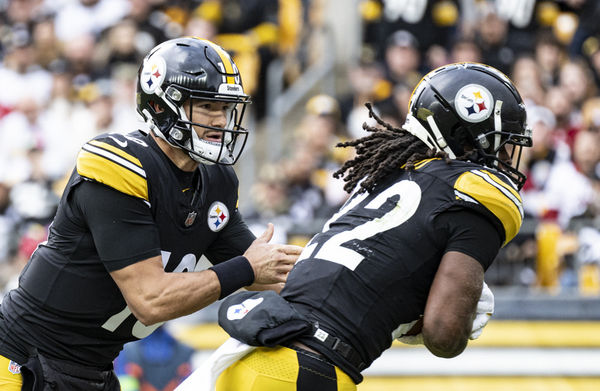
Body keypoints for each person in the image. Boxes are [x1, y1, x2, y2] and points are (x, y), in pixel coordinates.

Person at [177, 62, 533, 391]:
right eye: (500, 146)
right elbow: (444, 335)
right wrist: (458, 314)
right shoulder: (474, 196)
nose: (504, 159)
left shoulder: (383, 175)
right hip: (306, 371)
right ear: (469, 140)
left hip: (250, 355)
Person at [0, 37, 302, 390]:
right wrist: (247, 268)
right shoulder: (119, 164)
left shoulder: (216, 180)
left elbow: (264, 270)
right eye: (207, 106)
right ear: (161, 106)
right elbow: (150, 299)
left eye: (225, 108)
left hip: (92, 370)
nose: (220, 121)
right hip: (22, 360)